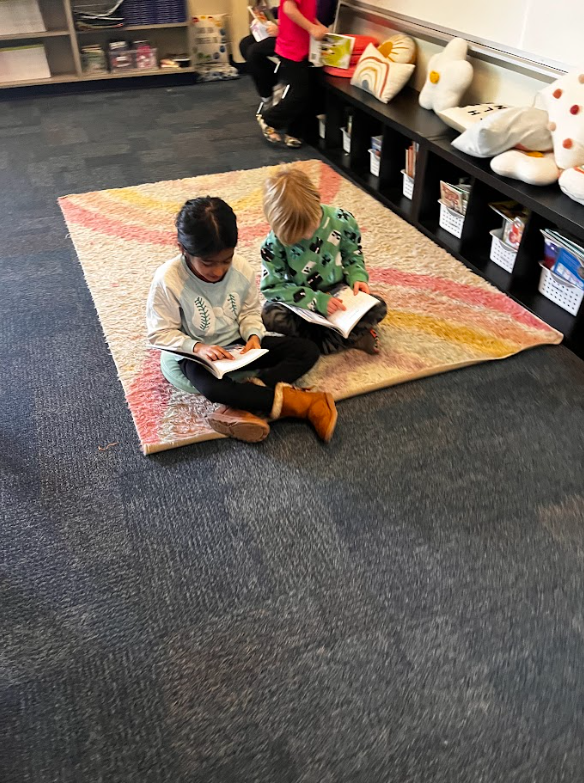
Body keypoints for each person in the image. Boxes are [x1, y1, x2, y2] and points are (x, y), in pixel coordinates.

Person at [146, 196, 337, 443]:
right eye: (207, 263)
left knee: (306, 350)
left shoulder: (241, 269)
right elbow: (160, 332)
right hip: (197, 355)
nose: (218, 271)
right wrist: (198, 347)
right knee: (213, 389)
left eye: (226, 260)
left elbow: (249, 312)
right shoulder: (168, 279)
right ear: (183, 249)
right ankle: (303, 403)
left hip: (237, 344)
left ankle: (241, 404)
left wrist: (254, 336)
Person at [260, 168, 388, 355]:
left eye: (310, 227)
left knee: (378, 306)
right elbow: (273, 288)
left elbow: (353, 254)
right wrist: (314, 301)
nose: (308, 236)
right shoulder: (272, 244)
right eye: (297, 236)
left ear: (318, 201)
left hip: (338, 292)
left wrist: (357, 276)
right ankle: (343, 339)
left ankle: (321, 342)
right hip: (301, 302)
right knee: (270, 315)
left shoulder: (342, 221)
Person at [257, 0, 328, 147]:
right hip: (291, 48)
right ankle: (269, 119)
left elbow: (305, 12)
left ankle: (294, 132)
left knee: (307, 91)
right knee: (300, 91)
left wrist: (317, 25)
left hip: (304, 47)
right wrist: (312, 28)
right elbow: (289, 9)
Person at [239, 5, 279, 109]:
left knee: (254, 52)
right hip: (284, 29)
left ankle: (267, 96)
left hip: (296, 35)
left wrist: (282, 29)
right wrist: (266, 14)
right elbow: (284, 10)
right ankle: (271, 84)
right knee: (245, 44)